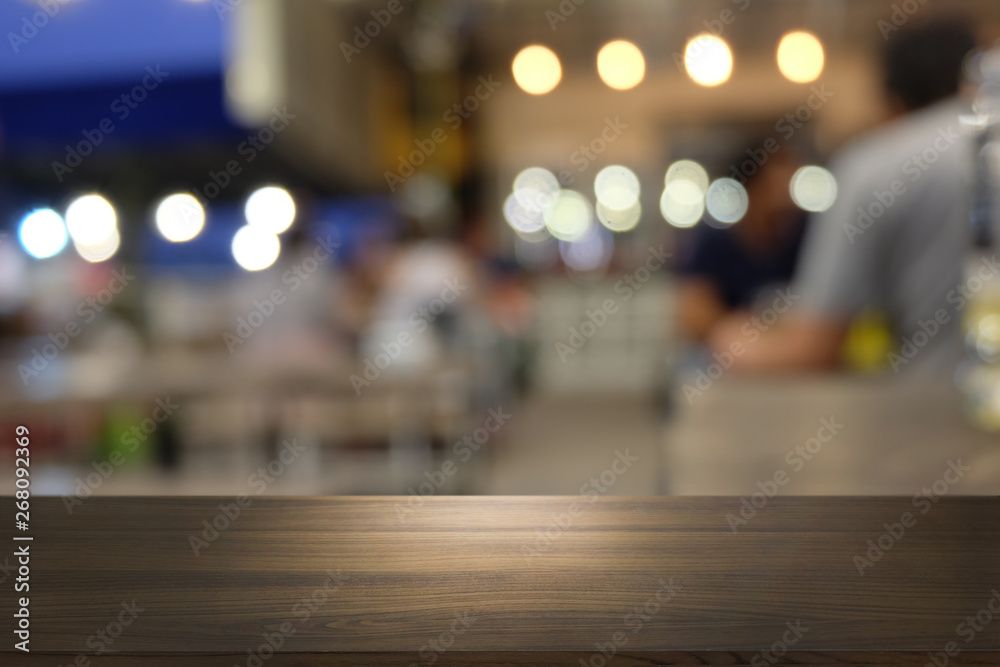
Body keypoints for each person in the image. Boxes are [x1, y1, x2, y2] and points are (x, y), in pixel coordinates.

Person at [708, 18, 978, 373]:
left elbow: (812, 351)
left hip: (930, 406)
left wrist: (729, 339)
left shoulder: (876, 166)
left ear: (892, 103)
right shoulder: (720, 241)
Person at [676, 148, 806, 342]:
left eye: (789, 188)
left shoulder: (805, 235)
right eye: (774, 189)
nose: (785, 201)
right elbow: (694, 314)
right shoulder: (714, 242)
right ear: (750, 189)